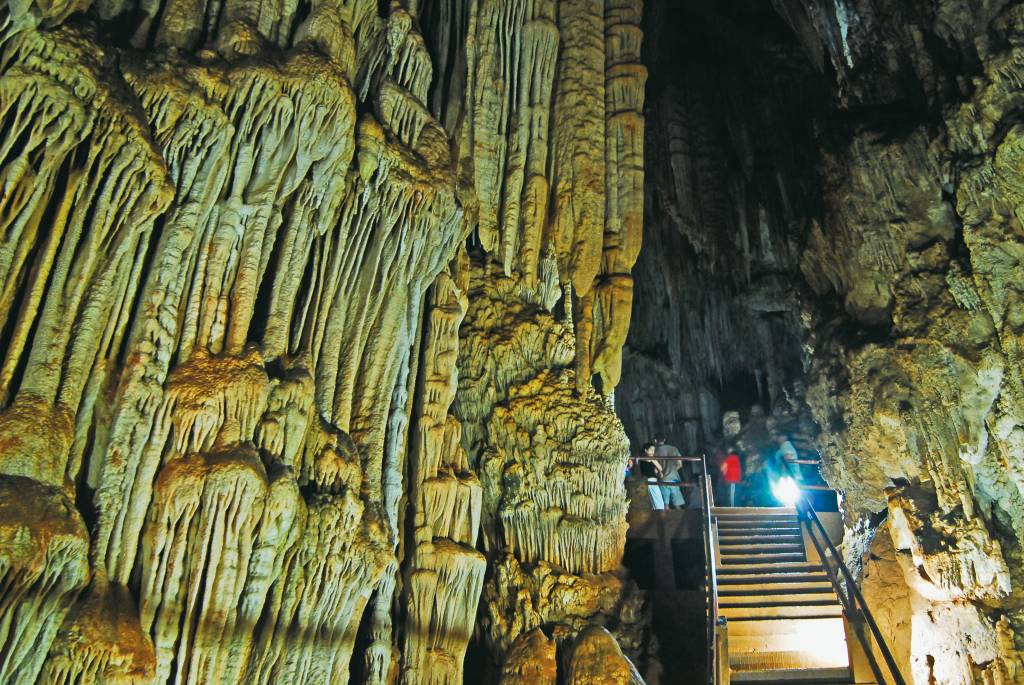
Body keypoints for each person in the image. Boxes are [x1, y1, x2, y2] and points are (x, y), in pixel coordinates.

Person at [654, 436, 685, 508]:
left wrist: (661, 473)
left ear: (655, 440)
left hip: (663, 479)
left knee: (665, 503)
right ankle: (680, 518)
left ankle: (665, 519)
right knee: (677, 503)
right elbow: (680, 465)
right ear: (664, 440)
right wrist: (672, 470)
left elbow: (656, 469)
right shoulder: (674, 449)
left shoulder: (656, 451)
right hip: (674, 477)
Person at [639, 443, 665, 510]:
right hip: (650, 482)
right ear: (646, 450)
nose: (653, 452)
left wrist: (658, 473)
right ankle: (660, 517)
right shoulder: (650, 459)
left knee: (654, 502)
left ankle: (656, 517)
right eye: (651, 450)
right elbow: (660, 468)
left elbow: (656, 471)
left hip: (647, 482)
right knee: (659, 503)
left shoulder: (643, 459)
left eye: (654, 450)